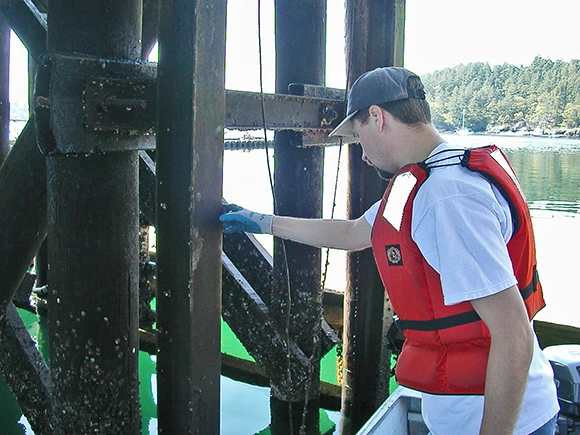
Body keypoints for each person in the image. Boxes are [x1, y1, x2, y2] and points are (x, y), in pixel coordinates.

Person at [220, 67, 559, 435]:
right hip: (463, 413)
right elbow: (353, 233)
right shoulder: (422, 180)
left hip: (501, 423)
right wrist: (263, 222)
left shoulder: (448, 198)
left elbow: (514, 335)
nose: (362, 154)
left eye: (357, 135)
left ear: (377, 117)